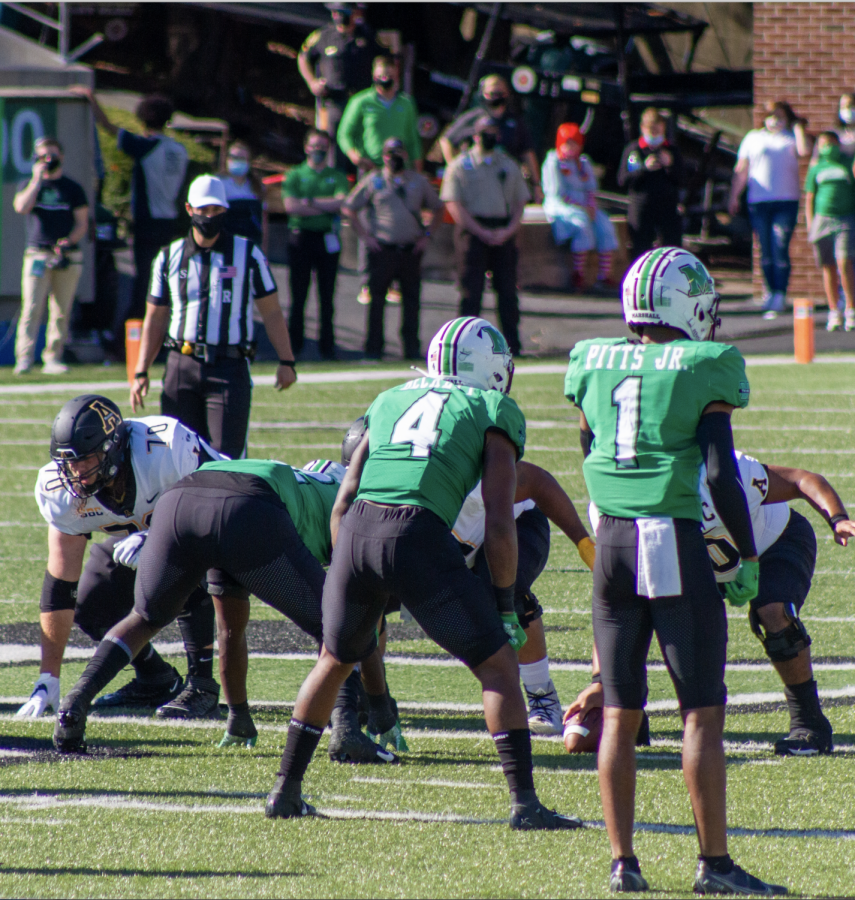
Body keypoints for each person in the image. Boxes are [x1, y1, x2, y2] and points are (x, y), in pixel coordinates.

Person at [264, 317, 581, 830]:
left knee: (332, 659)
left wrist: (349, 577)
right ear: (494, 371)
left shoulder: (390, 398)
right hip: (417, 533)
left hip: (359, 530)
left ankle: (285, 791)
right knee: (499, 667)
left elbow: (343, 500)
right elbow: (501, 524)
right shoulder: (493, 408)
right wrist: (504, 604)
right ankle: (525, 804)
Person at [564, 247, 785, 895]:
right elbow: (718, 470)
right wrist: (745, 556)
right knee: (699, 713)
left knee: (621, 712)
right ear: (684, 307)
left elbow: (588, 442)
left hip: (610, 541)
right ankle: (713, 865)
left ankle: (622, 863)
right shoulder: (706, 361)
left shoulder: (590, 358)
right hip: (668, 539)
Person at [52, 455, 395, 759]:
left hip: (185, 497)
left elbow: (229, 633)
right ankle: (347, 730)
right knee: (336, 626)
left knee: (145, 617)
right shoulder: (358, 507)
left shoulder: (320, 482)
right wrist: (380, 708)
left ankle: (75, 701)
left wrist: (239, 715)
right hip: (249, 505)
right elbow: (351, 627)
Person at [568, 451, 855, 759]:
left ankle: (809, 720)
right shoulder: (611, 506)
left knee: (772, 612)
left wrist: (837, 518)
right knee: (643, 609)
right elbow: (616, 603)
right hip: (699, 569)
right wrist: (602, 682)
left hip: (773, 543)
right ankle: (628, 708)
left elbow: (803, 479)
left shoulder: (721, 470)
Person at [340, 417, 597, 737]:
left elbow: (538, 482)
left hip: (515, 526)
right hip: (448, 547)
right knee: (367, 599)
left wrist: (582, 541)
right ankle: (360, 695)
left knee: (502, 588)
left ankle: (542, 697)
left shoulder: (451, 480)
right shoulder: (363, 507)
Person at [16, 394, 225, 722]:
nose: (76, 472)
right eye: (69, 462)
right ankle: (155, 678)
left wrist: (161, 533)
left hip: (220, 526)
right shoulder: (58, 490)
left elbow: (217, 501)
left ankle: (202, 685)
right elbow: (60, 585)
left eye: (86, 460)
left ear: (114, 447)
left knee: (178, 562)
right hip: (142, 535)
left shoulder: (164, 449)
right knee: (93, 603)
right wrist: (48, 678)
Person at [130, 175, 297, 460]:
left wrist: (287, 360)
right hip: (181, 366)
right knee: (175, 459)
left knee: (227, 462)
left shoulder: (248, 254)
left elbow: (271, 311)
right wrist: (141, 370)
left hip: (229, 367)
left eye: (216, 210)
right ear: (188, 209)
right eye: (203, 210)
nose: (209, 216)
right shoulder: (169, 256)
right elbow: (155, 318)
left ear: (226, 210)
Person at [74, 86, 189, 323]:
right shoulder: (179, 150)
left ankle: (131, 334)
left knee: (145, 281)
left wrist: (90, 98)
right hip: (170, 221)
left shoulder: (145, 147)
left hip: (148, 223)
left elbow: (109, 127)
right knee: (167, 279)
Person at [343, 137, 444, 360]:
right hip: (383, 248)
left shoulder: (417, 181)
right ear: (383, 156)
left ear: (405, 155)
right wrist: (366, 236)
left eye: (398, 153)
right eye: (389, 154)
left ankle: (411, 349)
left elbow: (438, 207)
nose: (393, 158)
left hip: (410, 249)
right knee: (376, 300)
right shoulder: (374, 180)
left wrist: (426, 236)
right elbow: (349, 208)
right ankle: (373, 349)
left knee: (411, 301)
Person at [441, 116, 530, 356]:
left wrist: (508, 230)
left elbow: (521, 200)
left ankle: (512, 346)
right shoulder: (460, 166)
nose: (489, 136)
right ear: (475, 136)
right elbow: (453, 204)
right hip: (472, 231)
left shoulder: (508, 165)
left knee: (508, 293)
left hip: (502, 229)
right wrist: (479, 231)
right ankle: (464, 348)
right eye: (484, 132)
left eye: (493, 131)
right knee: (470, 292)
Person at [12, 137, 89, 376]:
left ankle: (53, 357)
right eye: (42, 156)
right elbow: (21, 207)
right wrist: (37, 180)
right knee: (32, 308)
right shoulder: (29, 184)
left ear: (61, 156)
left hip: (65, 256)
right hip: (37, 254)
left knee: (60, 310)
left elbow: (82, 223)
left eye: (51, 155)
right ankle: (24, 358)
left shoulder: (73, 188)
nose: (47, 160)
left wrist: (69, 242)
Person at [728, 100, 811, 320]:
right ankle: (770, 290)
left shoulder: (790, 137)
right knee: (765, 248)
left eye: (779, 115)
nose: (775, 119)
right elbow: (742, 168)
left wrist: (798, 127)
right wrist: (734, 195)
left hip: (786, 200)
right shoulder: (753, 138)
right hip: (759, 201)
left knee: (780, 244)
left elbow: (804, 151)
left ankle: (781, 293)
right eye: (771, 115)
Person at [282, 129, 350, 360]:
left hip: (327, 238)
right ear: (306, 147)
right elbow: (291, 207)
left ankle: (328, 348)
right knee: (298, 296)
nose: (318, 150)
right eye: (314, 145)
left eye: (323, 146)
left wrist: (309, 203)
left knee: (327, 297)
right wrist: (324, 206)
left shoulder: (337, 175)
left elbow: (342, 203)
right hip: (300, 238)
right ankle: (294, 347)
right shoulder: (295, 174)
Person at [297, 2, 383, 167]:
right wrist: (312, 82)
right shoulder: (323, 35)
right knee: (333, 144)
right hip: (334, 101)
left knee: (362, 143)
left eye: (343, 12)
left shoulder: (366, 35)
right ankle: (338, 184)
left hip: (361, 101)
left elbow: (385, 59)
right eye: (335, 12)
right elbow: (303, 57)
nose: (338, 16)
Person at [439, 74, 543, 203]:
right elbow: (446, 140)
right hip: (478, 178)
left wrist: (536, 184)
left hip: (506, 179)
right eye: (492, 93)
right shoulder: (474, 117)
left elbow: (527, 152)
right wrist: (453, 167)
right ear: (483, 94)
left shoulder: (515, 121)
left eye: (500, 93)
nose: (496, 97)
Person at [542, 122, 620, 294]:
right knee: (581, 224)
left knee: (605, 225)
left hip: (585, 205)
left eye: (575, 143)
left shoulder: (583, 162)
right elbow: (558, 192)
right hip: (562, 204)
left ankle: (603, 277)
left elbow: (590, 188)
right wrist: (584, 208)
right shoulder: (553, 161)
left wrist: (591, 205)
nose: (572, 147)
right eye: (568, 143)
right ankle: (578, 275)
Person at [618, 108, 684, 266]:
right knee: (641, 250)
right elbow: (622, 180)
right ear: (643, 128)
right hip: (642, 208)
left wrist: (669, 166)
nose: (654, 133)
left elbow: (682, 179)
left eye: (658, 129)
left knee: (672, 248)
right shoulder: (634, 150)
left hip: (667, 207)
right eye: (651, 129)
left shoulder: (672, 150)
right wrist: (643, 169)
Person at [804, 132, 855, 332]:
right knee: (828, 266)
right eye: (824, 144)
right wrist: (810, 223)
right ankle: (834, 310)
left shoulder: (847, 165)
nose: (828, 147)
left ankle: (851, 308)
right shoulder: (816, 168)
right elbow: (809, 197)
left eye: (831, 143)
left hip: (845, 219)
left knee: (845, 262)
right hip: (822, 220)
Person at [337, 55, 422, 174]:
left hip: (400, 169)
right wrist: (355, 156)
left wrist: (417, 170)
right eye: (381, 76)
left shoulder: (406, 103)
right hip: (371, 168)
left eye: (389, 76)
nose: (385, 80)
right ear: (374, 76)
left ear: (396, 76)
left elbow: (413, 139)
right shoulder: (361, 101)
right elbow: (344, 134)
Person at [219, 141, 264, 246]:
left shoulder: (256, 187)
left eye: (242, 158)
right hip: (225, 242)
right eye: (234, 157)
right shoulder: (219, 184)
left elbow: (262, 221)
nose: (237, 161)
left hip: (251, 243)